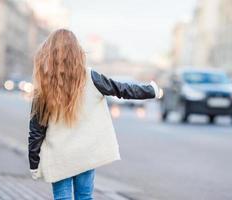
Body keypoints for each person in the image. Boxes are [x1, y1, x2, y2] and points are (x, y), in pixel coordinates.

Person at [28, 29, 162, 200]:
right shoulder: (90, 77)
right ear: (77, 52)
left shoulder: (44, 84)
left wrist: (34, 162)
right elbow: (121, 89)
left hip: (58, 156)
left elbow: (36, 129)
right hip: (85, 153)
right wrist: (151, 91)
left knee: (62, 197)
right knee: (84, 197)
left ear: (48, 52)